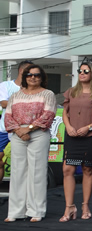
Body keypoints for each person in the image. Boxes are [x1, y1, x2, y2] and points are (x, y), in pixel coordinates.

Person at [3, 64, 56, 222]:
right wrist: (19, 130)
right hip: (18, 134)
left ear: (42, 77)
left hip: (38, 134)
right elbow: (8, 116)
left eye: (37, 75)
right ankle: (15, 212)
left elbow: (48, 115)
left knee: (37, 172)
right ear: (24, 77)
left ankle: (36, 211)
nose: (33, 77)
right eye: (29, 75)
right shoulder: (16, 95)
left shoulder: (48, 94)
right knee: (17, 172)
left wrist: (29, 129)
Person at [60, 62, 92, 222]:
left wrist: (89, 127)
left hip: (89, 135)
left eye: (86, 71)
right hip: (72, 134)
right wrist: (68, 126)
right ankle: (69, 207)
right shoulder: (71, 92)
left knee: (87, 169)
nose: (82, 73)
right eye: (80, 71)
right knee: (67, 169)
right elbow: (65, 112)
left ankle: (85, 206)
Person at [0, 61, 35, 150]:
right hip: (5, 129)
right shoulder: (5, 85)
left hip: (24, 130)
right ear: (21, 70)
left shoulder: (33, 89)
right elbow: (3, 103)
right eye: (29, 71)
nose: (32, 75)